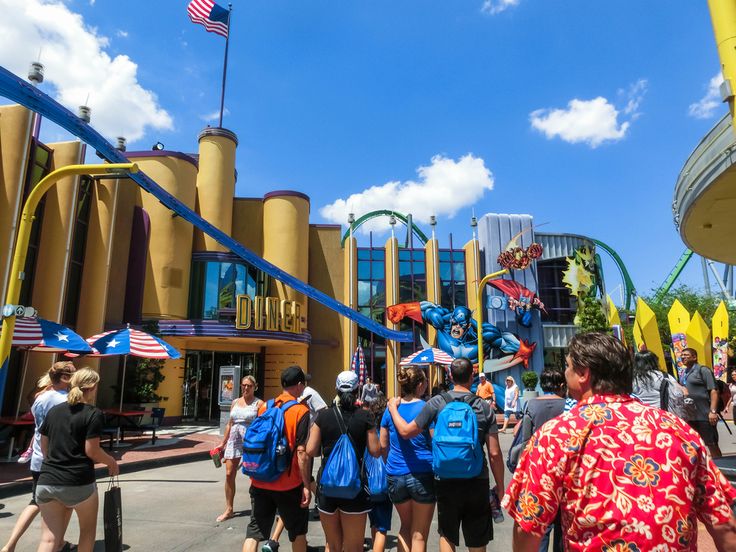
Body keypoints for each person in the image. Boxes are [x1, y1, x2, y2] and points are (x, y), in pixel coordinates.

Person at [503, 332, 736, 552]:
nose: (565, 373)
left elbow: (528, 526)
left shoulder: (556, 435)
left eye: (568, 367)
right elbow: (723, 523)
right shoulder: (677, 430)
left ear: (583, 374)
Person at [388, 357, 505, 552]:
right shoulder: (484, 407)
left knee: (447, 535)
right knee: (477, 540)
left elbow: (407, 432)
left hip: (445, 479)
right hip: (477, 479)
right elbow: (494, 453)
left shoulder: (437, 402)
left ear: (450, 376)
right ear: (472, 376)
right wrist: (500, 486)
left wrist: (393, 409)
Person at [36, 368, 119, 552]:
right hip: (78, 481)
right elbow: (92, 450)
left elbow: (44, 447)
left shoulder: (55, 411)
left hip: (48, 480)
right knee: (87, 534)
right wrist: (111, 462)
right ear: (92, 387)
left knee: (49, 540)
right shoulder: (93, 413)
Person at [1, 362, 76, 552]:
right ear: (65, 378)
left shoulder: (39, 398)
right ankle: (55, 543)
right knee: (61, 506)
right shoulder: (65, 400)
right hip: (56, 457)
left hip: (38, 456)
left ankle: (11, 545)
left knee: (37, 502)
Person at [306, 371, 380, 552]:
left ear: (336, 389)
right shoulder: (365, 416)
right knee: (354, 547)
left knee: (332, 545)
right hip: (355, 488)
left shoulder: (323, 416)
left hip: (327, 487)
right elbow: (375, 451)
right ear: (358, 390)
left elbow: (311, 450)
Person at [242, 366, 311, 552]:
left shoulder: (265, 406)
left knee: (254, 531)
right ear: (298, 385)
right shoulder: (301, 411)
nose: (303, 388)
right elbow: (302, 453)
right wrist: (306, 484)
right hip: (288, 483)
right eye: (303, 384)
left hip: (260, 478)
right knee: (297, 533)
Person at [510, 369, 566, 552]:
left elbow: (524, 438)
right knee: (562, 522)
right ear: (561, 385)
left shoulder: (530, 404)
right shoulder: (567, 405)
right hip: (563, 467)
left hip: (539, 468)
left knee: (540, 522)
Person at [380, 366, 435, 552]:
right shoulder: (427, 408)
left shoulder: (390, 409)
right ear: (420, 385)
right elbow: (434, 440)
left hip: (395, 473)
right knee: (419, 534)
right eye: (426, 381)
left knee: (404, 527)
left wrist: (391, 462)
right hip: (422, 473)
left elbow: (382, 444)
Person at [216, 375, 263, 523]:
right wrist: (222, 443)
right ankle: (229, 509)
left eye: (249, 385)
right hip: (234, 439)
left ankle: (258, 508)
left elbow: (262, 425)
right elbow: (230, 424)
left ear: (255, 387)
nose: (246, 388)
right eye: (244, 385)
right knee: (229, 473)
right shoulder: (235, 402)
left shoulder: (259, 404)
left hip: (251, 440)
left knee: (254, 475)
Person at [681, 347, 723, 458]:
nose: (683, 357)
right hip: (690, 417)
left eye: (686, 355)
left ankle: (721, 470)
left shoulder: (703, 370)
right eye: (682, 355)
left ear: (694, 357)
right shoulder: (684, 372)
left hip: (704, 416)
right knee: (694, 445)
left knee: (711, 444)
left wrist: (713, 411)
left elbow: (714, 391)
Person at [368, 396, 392, 552]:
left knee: (374, 523)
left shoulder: (369, 433)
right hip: (384, 484)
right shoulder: (388, 433)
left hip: (369, 484)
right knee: (382, 529)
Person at [632, 350, 686, 418]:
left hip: (640, 416)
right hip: (661, 415)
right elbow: (682, 393)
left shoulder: (632, 379)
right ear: (654, 362)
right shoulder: (664, 376)